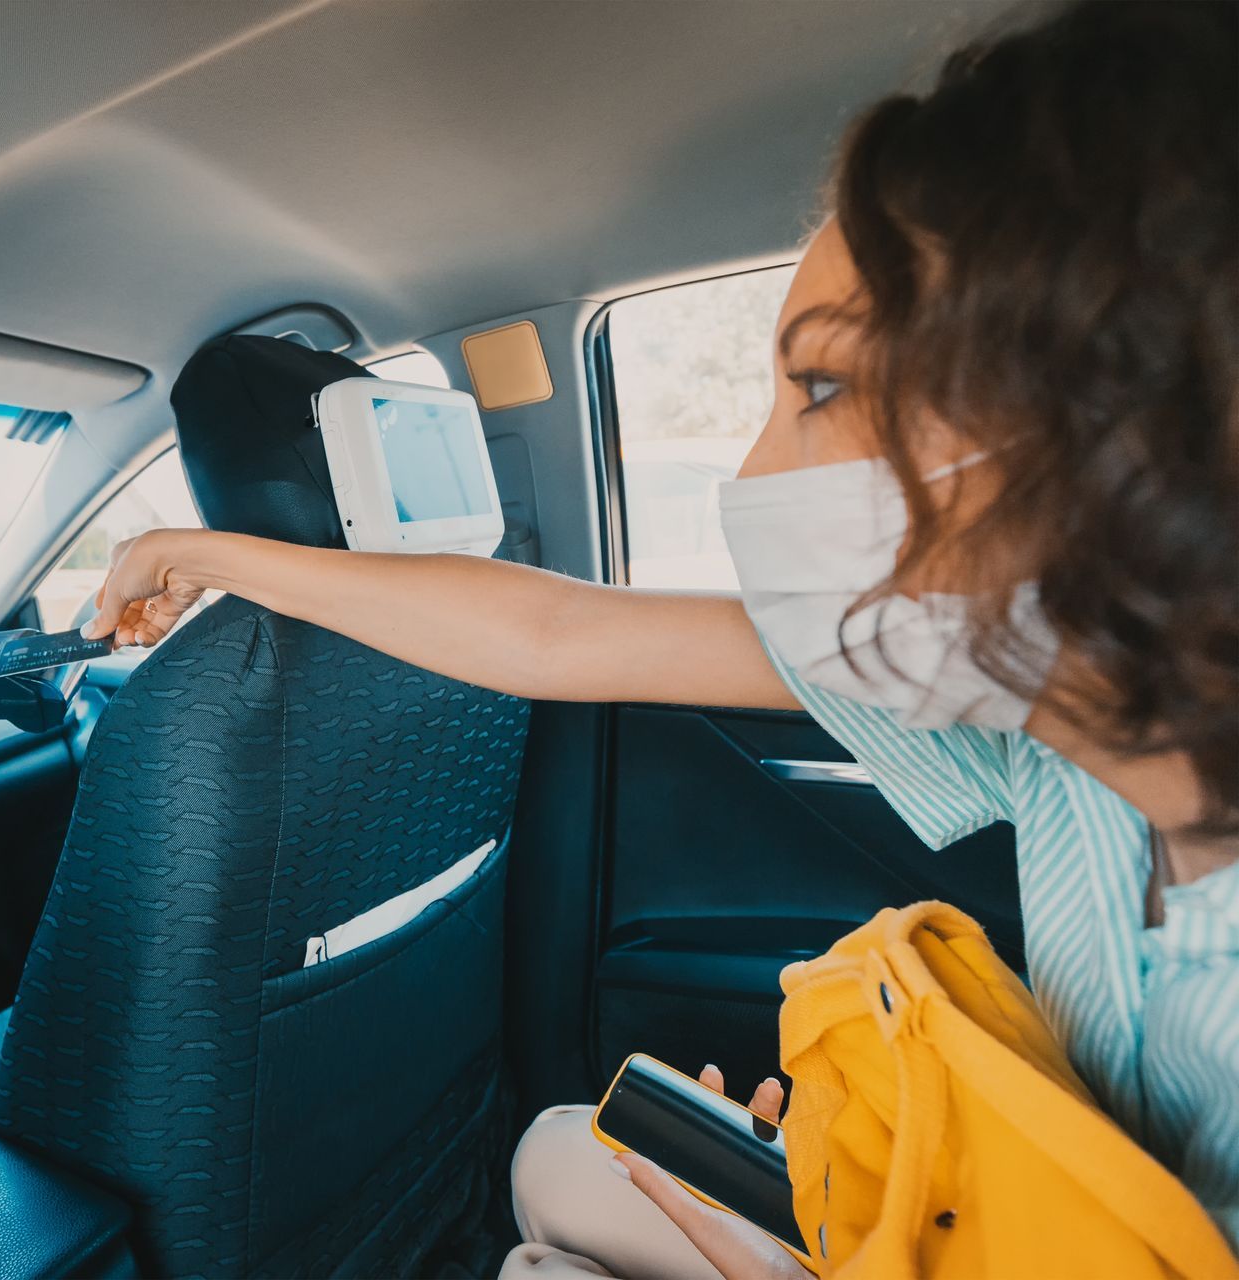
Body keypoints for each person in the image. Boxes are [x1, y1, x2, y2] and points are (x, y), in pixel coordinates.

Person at [77, 1, 1238, 1274]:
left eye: (823, 385)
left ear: (1113, 411)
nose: (752, 472)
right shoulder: (1049, 723)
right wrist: (213, 555)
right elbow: (559, 632)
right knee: (561, 1151)